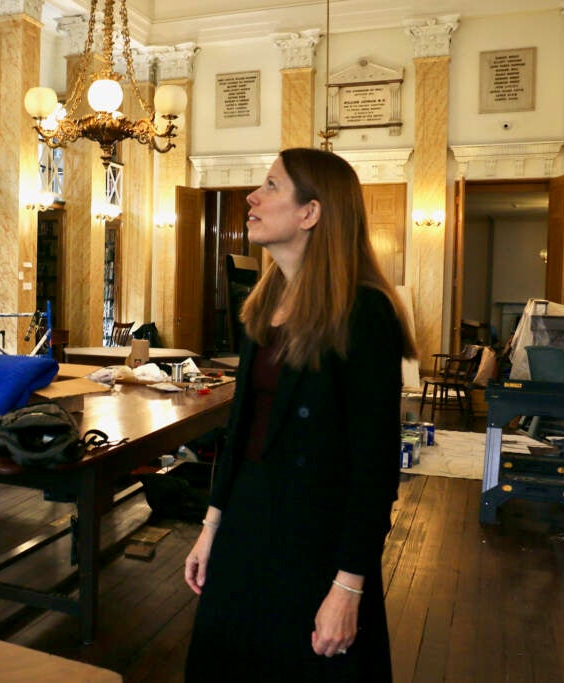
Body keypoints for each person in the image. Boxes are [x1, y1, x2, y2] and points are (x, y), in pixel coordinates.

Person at [184, 148, 417, 682]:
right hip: (247, 521)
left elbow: (375, 466)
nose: (252, 196)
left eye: (270, 186)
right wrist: (211, 525)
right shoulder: (265, 304)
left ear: (310, 213)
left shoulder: (364, 312)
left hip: (316, 540)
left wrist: (349, 586)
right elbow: (242, 426)